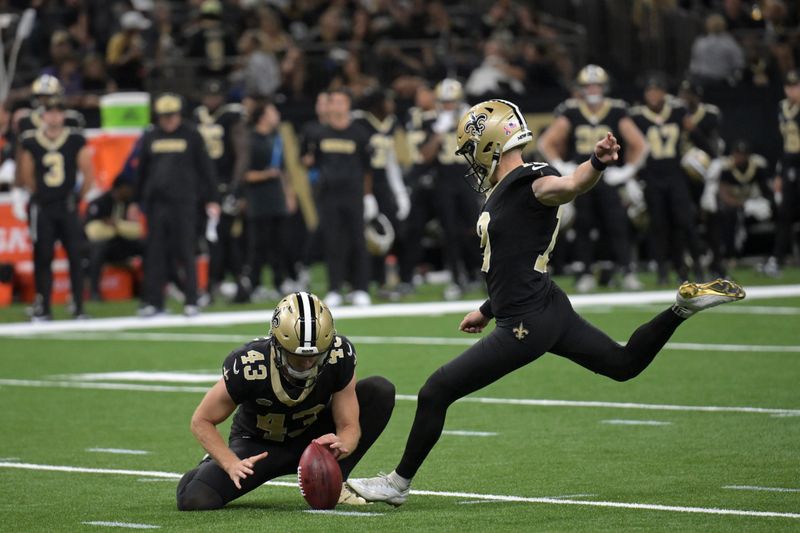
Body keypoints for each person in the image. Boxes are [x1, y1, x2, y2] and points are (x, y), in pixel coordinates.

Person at [346, 99, 746, 506]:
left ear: (489, 143)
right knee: (623, 364)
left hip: (525, 322)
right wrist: (486, 310)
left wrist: (596, 162)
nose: (470, 159)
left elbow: (568, 185)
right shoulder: (507, 189)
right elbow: (512, 261)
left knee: (436, 391)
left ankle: (397, 484)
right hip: (546, 304)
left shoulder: (529, 179)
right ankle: (681, 308)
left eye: (472, 148)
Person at [176, 291, 395, 510]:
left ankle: (336, 483)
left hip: (313, 441)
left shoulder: (339, 355)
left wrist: (342, 445)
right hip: (259, 447)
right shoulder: (251, 364)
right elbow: (202, 420)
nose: (307, 363)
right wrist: (230, 462)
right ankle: (205, 467)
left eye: (315, 355)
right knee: (195, 498)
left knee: (379, 391)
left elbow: (349, 425)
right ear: (277, 345)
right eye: (297, 356)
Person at [538, 64, 648, 292]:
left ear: (604, 86)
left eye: (597, 84)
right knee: (584, 225)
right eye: (588, 85)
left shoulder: (616, 110)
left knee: (617, 225)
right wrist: (561, 165)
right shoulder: (571, 110)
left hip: (608, 177)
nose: (593, 89)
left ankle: (627, 271)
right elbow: (545, 142)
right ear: (581, 88)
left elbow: (640, 144)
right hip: (582, 177)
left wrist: (626, 172)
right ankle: (585, 273)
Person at [130, 93, 219, 317]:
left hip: (185, 203)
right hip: (157, 204)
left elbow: (206, 169)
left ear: (179, 115)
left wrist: (213, 198)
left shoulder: (191, 134)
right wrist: (135, 200)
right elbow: (141, 173)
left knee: (186, 251)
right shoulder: (151, 136)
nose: (168, 120)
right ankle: (154, 301)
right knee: (155, 253)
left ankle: (191, 299)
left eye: (171, 116)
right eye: (164, 116)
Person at [16, 94, 94, 321]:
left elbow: (87, 171)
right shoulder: (31, 140)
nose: (54, 116)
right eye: (50, 112)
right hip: (44, 207)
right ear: (43, 115)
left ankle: (79, 305)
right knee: (43, 257)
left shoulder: (74, 139)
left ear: (63, 115)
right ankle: (44, 306)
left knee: (75, 256)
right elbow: (26, 175)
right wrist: (39, 195)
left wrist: (78, 196)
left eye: (59, 112)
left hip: (67, 206)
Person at [629, 74, 706, 284]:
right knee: (659, 225)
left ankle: (697, 266)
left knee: (686, 222)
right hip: (652, 177)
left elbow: (696, 135)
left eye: (657, 90)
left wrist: (711, 156)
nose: (653, 95)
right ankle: (663, 270)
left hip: (675, 175)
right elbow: (631, 145)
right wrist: (631, 175)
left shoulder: (678, 111)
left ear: (664, 93)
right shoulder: (636, 116)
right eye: (649, 91)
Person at [303, 89, 373, 307]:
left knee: (358, 241)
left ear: (348, 105)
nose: (337, 106)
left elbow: (367, 169)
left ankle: (360, 287)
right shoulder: (319, 133)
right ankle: (334, 288)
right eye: (333, 102)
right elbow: (309, 161)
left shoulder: (359, 133)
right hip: (329, 195)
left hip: (353, 194)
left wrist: (368, 195)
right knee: (333, 242)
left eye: (341, 102)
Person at [193, 79, 246, 302]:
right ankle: (233, 283)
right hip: (203, 186)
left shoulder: (231, 116)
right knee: (213, 237)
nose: (211, 99)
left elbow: (242, 152)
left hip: (223, 184)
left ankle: (222, 283)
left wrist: (235, 187)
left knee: (221, 236)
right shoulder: (196, 116)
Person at [238, 99, 296, 300]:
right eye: (273, 111)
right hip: (258, 199)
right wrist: (266, 175)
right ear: (263, 116)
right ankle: (254, 284)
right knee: (257, 245)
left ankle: (280, 281)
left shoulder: (276, 137)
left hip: (276, 198)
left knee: (280, 243)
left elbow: (283, 171)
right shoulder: (251, 139)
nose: (276, 115)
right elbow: (245, 174)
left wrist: (289, 194)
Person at [765, 70, 800, 277]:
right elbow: (782, 143)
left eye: (795, 86)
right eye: (789, 87)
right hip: (789, 163)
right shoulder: (782, 107)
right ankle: (777, 259)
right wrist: (779, 172)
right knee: (785, 214)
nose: (792, 91)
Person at [84, 178, 144, 301]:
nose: (131, 192)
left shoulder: (129, 204)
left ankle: (149, 289)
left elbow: (137, 230)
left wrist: (117, 225)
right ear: (120, 189)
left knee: (148, 245)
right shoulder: (99, 203)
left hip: (121, 243)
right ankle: (94, 292)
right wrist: (119, 228)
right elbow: (92, 231)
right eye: (128, 189)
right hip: (98, 246)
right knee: (99, 248)